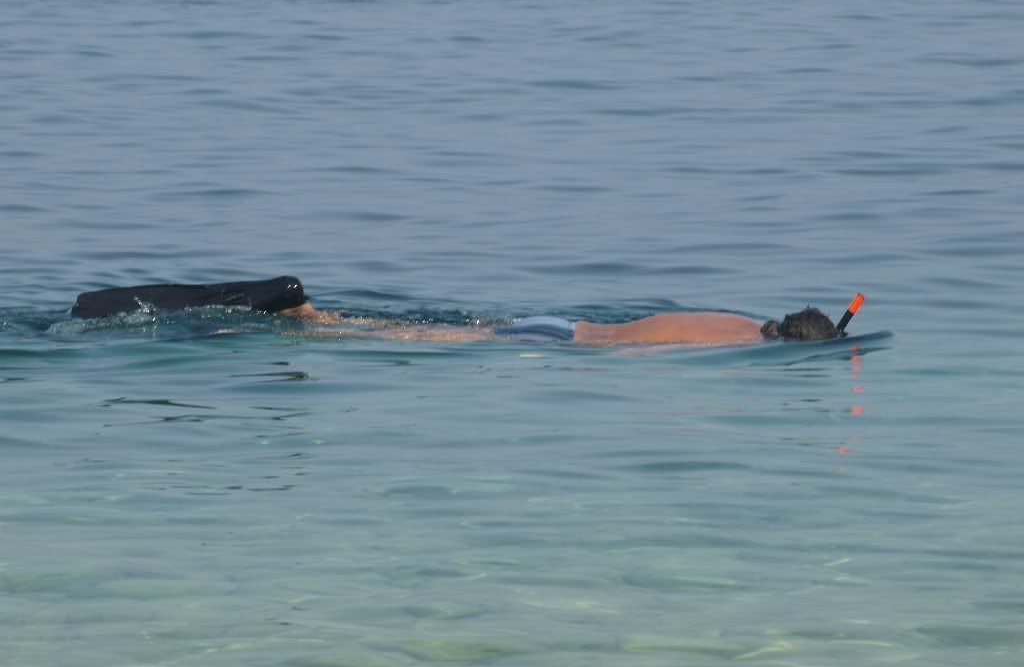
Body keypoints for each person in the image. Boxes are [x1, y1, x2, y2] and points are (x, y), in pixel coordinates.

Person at [71, 276, 840, 346]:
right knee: (402, 336)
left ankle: (307, 317)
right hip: (555, 341)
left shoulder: (740, 320)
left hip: (560, 324)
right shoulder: (733, 348)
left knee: (406, 331)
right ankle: (296, 316)